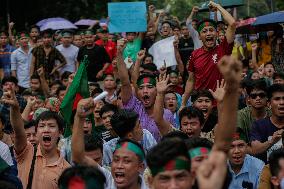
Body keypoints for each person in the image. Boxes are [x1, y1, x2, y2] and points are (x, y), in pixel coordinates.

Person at [1, 87, 70, 189]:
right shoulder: (27, 151)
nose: (46, 130)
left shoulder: (66, 169)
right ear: (37, 132)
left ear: (60, 131)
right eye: (42, 126)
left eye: (51, 126)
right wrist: (15, 108)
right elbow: (19, 130)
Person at [117, 39, 175, 141]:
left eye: (149, 87)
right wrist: (119, 53)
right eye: (141, 88)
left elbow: (170, 140)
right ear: (137, 92)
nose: (145, 91)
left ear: (157, 90)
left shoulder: (167, 114)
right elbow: (125, 82)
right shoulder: (133, 105)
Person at [183, 1, 236, 105]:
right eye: (204, 31)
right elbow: (190, 80)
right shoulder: (194, 54)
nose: (208, 33)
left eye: (211, 30)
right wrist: (184, 104)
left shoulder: (223, 49)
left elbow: (232, 23)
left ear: (216, 33)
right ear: (199, 37)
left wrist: (218, 6)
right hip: (200, 103)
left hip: (220, 103)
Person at [250, 84, 284, 163]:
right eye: (277, 99)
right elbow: (255, 149)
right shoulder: (259, 125)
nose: (282, 102)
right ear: (269, 104)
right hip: (266, 172)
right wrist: (272, 141)